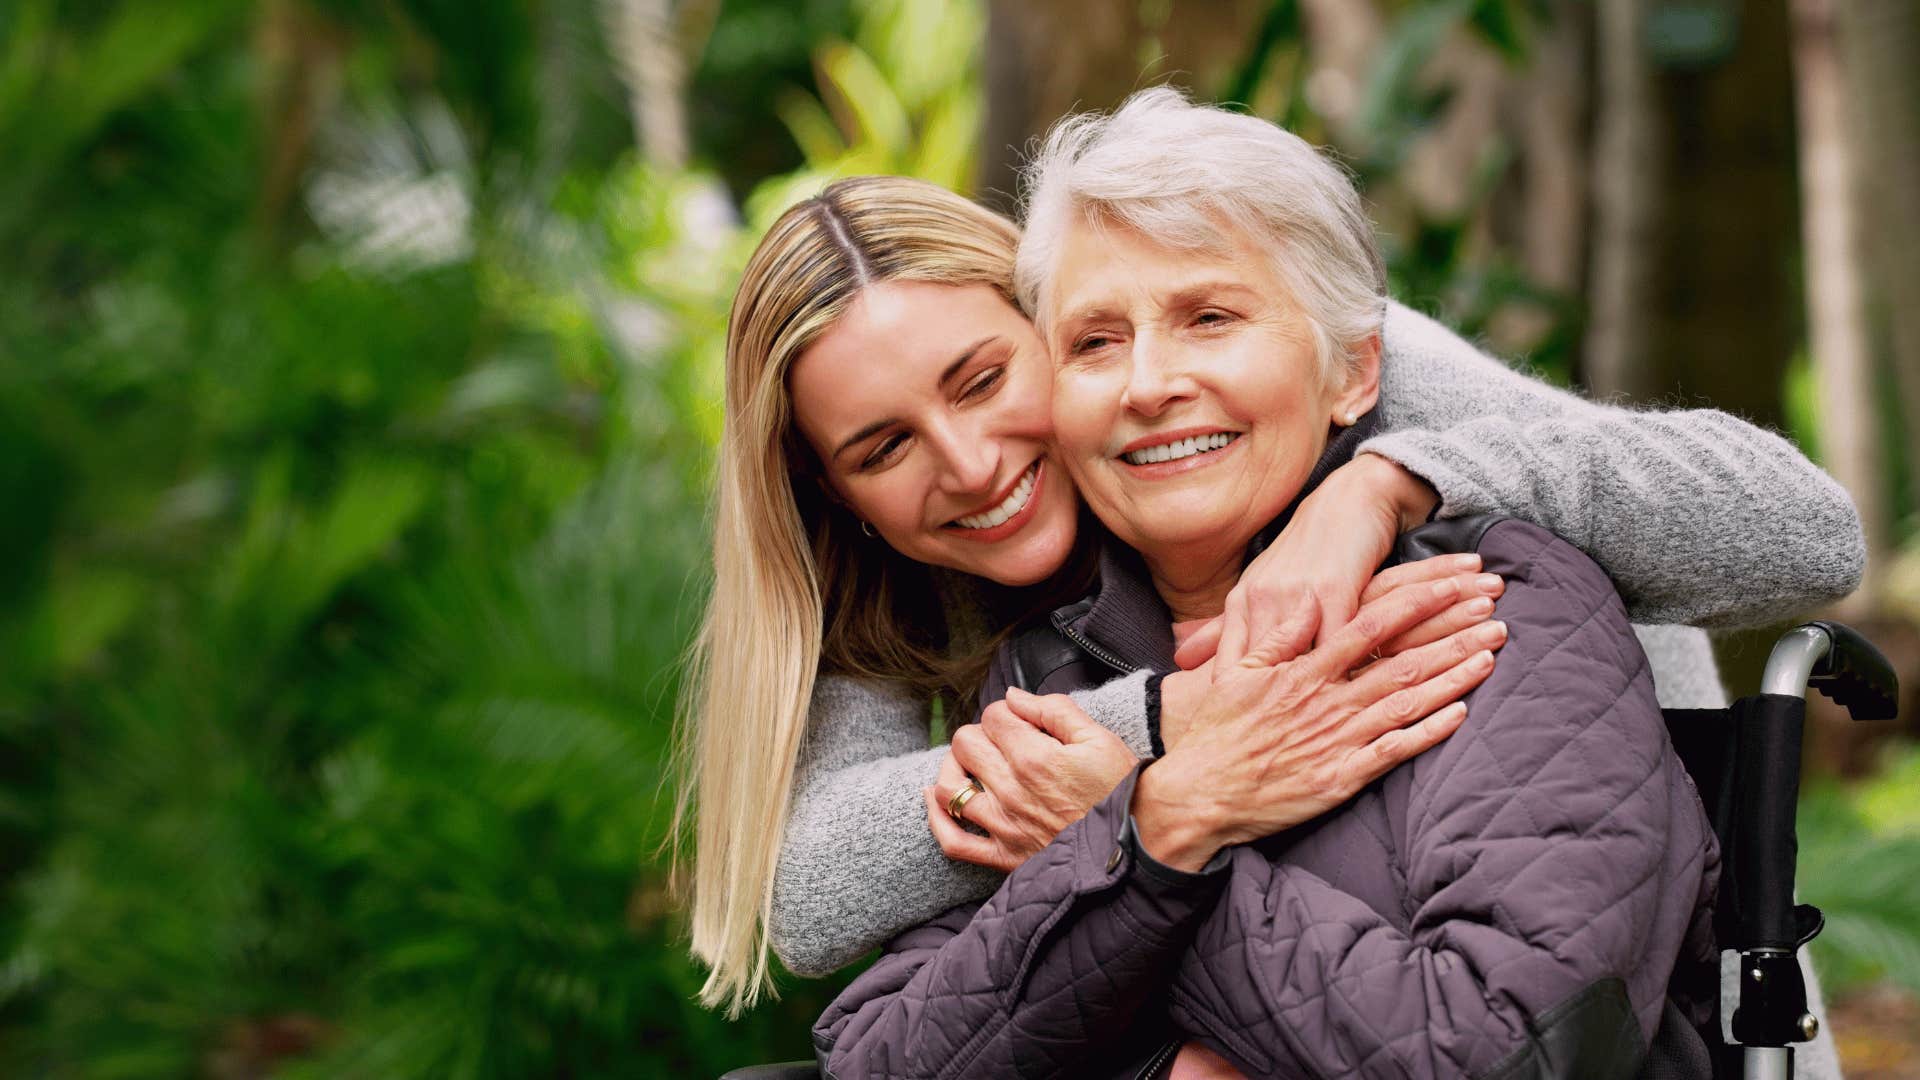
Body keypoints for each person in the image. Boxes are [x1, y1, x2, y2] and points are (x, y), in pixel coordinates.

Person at [679, 150, 1864, 1038]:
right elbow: (813, 892)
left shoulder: (1288, 356)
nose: (972, 462)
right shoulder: (907, 569)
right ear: (830, 489)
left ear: (1045, 319)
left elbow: (1804, 532)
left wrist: (1389, 484)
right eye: (882, 447)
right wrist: (1168, 735)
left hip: (1645, 960)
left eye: (986, 379)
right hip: (1280, 999)